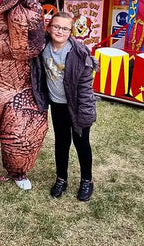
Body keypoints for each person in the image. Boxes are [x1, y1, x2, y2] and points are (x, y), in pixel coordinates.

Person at [40, 12, 98, 201]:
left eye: (65, 28)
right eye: (56, 26)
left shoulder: (78, 54)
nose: (60, 31)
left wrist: (85, 114)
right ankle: (61, 178)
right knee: (61, 143)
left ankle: (86, 181)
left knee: (81, 144)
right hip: (57, 106)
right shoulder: (43, 47)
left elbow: (85, 89)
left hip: (78, 106)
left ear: (70, 31)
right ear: (49, 27)